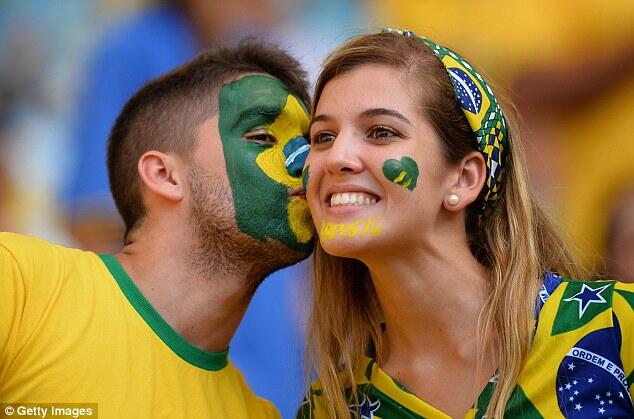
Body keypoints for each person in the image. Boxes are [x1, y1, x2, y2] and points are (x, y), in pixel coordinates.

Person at [297, 30, 634, 418]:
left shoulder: (614, 328)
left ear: (465, 178)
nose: (337, 156)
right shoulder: (331, 407)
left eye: (381, 132)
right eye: (323, 136)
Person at [0, 40, 314, 418]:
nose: (306, 163)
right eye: (263, 138)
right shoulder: (18, 284)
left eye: (312, 143)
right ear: (164, 175)